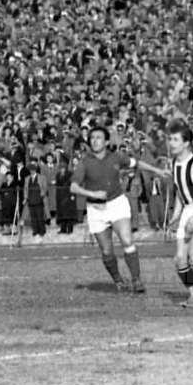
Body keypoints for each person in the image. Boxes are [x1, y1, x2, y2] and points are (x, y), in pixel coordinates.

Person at [144, 120, 193, 307]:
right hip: (188, 210)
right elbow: (180, 191)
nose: (171, 143)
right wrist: (176, 216)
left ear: (186, 143)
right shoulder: (174, 164)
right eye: (170, 139)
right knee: (179, 259)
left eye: (175, 140)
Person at [70, 124, 145, 294]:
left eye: (99, 138)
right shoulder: (84, 162)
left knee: (127, 240)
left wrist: (159, 171)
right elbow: (73, 187)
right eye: (92, 138)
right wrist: (92, 193)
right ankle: (118, 280)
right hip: (96, 209)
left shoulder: (116, 157)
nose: (95, 141)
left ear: (106, 142)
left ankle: (136, 280)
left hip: (117, 203)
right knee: (106, 251)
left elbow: (136, 163)